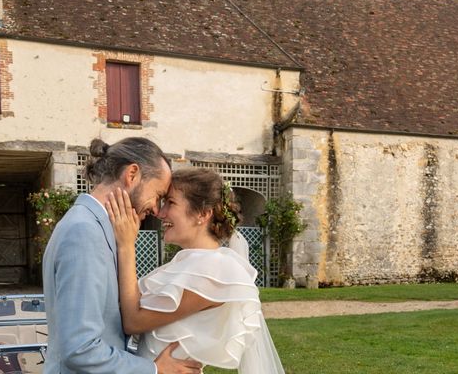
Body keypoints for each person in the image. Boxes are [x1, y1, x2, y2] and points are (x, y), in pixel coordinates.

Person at [42, 138, 203, 374]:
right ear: (132, 174)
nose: (157, 210)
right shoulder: (85, 232)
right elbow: (80, 348)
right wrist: (154, 369)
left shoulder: (96, 227)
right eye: (158, 194)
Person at [106, 167, 285, 374]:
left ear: (203, 214)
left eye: (170, 203)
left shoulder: (213, 272)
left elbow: (133, 321)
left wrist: (126, 246)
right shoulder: (190, 264)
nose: (160, 213)